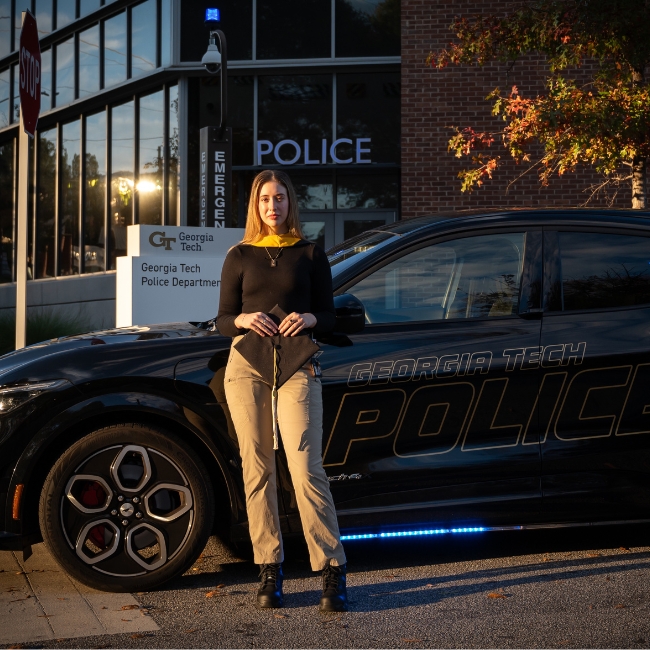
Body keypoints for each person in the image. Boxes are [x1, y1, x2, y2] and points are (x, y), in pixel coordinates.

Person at [216, 169, 348, 612]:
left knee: (305, 467)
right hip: (246, 366)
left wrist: (309, 319)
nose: (273, 206)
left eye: (280, 198)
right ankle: (269, 568)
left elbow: (329, 317)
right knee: (257, 468)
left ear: (291, 203)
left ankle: (331, 568)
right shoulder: (239, 254)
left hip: (298, 365)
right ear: (255, 206)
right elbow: (221, 318)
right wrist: (242, 320)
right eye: (264, 199)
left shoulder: (311, 254)